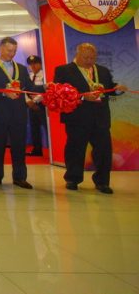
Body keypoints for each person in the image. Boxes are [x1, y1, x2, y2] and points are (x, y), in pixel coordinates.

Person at [53, 43, 127, 194]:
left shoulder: (103, 71)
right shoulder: (64, 70)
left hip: (100, 118)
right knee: (76, 149)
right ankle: (73, 179)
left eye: (92, 57)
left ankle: (102, 182)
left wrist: (118, 89)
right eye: (86, 57)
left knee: (104, 150)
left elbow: (109, 88)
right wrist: (82, 97)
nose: (89, 60)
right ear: (78, 54)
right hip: (77, 117)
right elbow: (60, 94)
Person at [0, 37, 42, 189]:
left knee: (19, 146)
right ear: (1, 49)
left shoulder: (21, 68)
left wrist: (48, 88)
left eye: (14, 51)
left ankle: (20, 177)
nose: (12, 53)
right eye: (9, 50)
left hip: (18, 113)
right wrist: (3, 93)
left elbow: (30, 87)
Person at [26, 55, 47, 156]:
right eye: (30, 64)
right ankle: (37, 149)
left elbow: (45, 91)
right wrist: (29, 102)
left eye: (35, 64)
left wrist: (35, 101)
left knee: (46, 127)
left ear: (40, 64)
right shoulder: (29, 76)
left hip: (42, 105)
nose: (33, 66)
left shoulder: (44, 75)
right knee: (34, 128)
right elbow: (25, 91)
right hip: (31, 106)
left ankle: (52, 149)